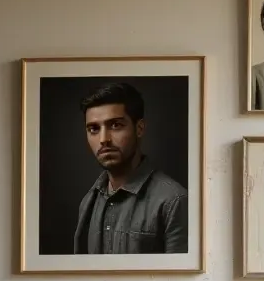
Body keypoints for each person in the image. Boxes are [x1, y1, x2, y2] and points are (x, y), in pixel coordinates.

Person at [74, 81, 188, 254]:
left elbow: (180, 280)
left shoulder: (174, 201)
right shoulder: (88, 202)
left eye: (115, 125)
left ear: (140, 128)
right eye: (94, 129)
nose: (104, 139)